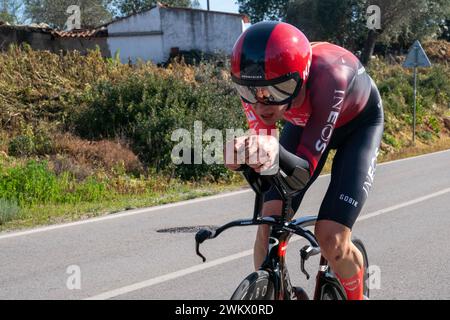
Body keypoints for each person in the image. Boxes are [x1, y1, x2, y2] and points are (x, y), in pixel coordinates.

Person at [224, 21, 384, 300]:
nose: (261, 105)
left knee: (331, 237)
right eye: (252, 93)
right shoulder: (256, 84)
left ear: (300, 77)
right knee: (269, 224)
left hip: (358, 126)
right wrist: (242, 156)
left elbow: (302, 171)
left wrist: (269, 150)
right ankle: (276, 292)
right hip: (307, 121)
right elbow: (267, 158)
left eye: (274, 92)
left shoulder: (330, 77)